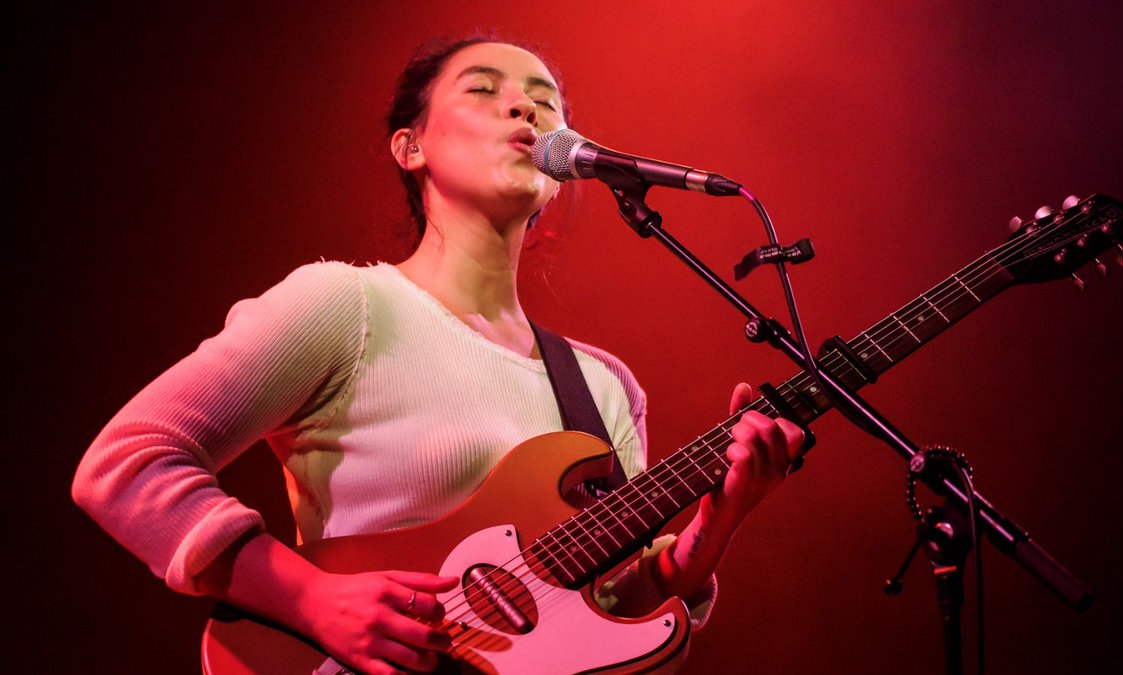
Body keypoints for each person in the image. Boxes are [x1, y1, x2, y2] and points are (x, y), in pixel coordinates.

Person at [72, 38, 806, 675]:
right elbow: (126, 462)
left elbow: (605, 616)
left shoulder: (603, 384)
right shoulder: (347, 305)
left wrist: (716, 524)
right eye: (485, 91)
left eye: (545, 103)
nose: (525, 111)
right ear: (410, 146)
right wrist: (310, 597)